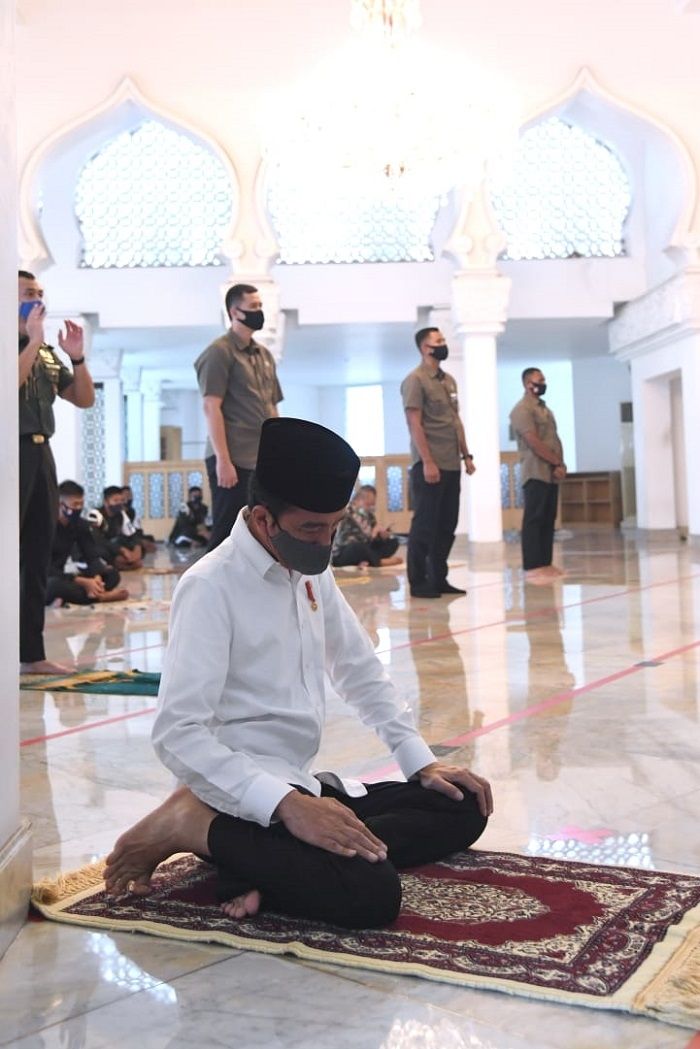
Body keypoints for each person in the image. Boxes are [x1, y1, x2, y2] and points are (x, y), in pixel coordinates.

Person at [105, 418, 492, 930]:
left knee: (463, 805)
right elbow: (178, 735)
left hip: (300, 785)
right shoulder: (210, 587)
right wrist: (285, 804)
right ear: (264, 519)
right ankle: (193, 826)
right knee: (371, 895)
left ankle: (269, 865)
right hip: (237, 796)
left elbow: (359, 669)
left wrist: (420, 763)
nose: (326, 542)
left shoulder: (310, 571)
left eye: (334, 526)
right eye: (313, 528)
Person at [18, 269, 96, 673]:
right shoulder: (18, 345)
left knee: (36, 552)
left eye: (40, 292)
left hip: (41, 453)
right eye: (28, 292)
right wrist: (31, 340)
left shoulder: (48, 353)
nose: (37, 298)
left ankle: (31, 655)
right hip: (9, 452)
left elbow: (83, 398)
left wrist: (77, 357)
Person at [195, 283, 283, 552]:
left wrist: (278, 454)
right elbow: (212, 406)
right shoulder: (219, 352)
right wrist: (223, 460)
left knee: (259, 531)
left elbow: (272, 408)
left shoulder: (264, 355)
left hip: (260, 459)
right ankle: (207, 592)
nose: (259, 312)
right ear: (235, 311)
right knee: (226, 532)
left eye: (260, 306)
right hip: (232, 458)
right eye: (253, 307)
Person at [400, 327, 475, 599]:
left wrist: (466, 455)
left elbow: (455, 421)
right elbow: (414, 423)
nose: (443, 345)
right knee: (424, 526)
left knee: (447, 525)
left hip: (451, 463)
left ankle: (438, 577)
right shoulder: (415, 380)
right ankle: (418, 581)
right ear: (424, 348)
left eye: (443, 340)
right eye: (439, 341)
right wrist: (428, 461)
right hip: (429, 465)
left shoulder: (448, 381)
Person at [509, 367, 566, 582]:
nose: (543, 383)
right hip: (535, 471)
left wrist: (560, 464)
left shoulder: (545, 409)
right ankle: (532, 565)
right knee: (535, 518)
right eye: (539, 380)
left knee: (548, 518)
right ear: (527, 384)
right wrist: (554, 461)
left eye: (544, 379)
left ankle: (545, 562)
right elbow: (533, 441)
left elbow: (554, 439)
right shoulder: (522, 409)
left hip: (551, 471)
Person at [46, 481, 129, 606]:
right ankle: (100, 597)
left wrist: (97, 577)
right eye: (75, 504)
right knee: (53, 586)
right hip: (48, 576)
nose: (79, 508)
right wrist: (82, 581)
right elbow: (45, 569)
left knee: (112, 575)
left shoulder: (80, 525)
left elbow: (91, 556)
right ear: (60, 504)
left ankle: (87, 594)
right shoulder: (46, 526)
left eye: (81, 503)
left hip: (66, 576)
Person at [331, 484, 402, 568]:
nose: (371, 507)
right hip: (345, 551)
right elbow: (345, 540)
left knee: (393, 541)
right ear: (358, 500)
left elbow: (372, 539)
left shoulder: (369, 515)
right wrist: (372, 534)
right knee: (357, 548)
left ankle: (368, 560)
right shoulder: (347, 512)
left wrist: (381, 535)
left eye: (372, 505)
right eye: (368, 504)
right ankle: (379, 562)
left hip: (365, 547)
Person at [98, 486, 144, 570]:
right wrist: (122, 550)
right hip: (101, 547)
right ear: (106, 502)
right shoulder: (96, 515)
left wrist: (137, 549)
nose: (119, 503)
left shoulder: (121, 514)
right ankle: (117, 564)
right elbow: (99, 540)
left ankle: (122, 564)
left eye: (121, 500)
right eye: (115, 500)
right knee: (101, 550)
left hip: (115, 547)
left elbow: (132, 534)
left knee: (137, 547)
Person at [121, 485, 156, 552]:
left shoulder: (132, 511)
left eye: (130, 495)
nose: (128, 497)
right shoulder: (118, 510)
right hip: (124, 536)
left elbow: (136, 528)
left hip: (132, 533)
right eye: (126, 495)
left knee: (150, 538)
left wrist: (139, 537)